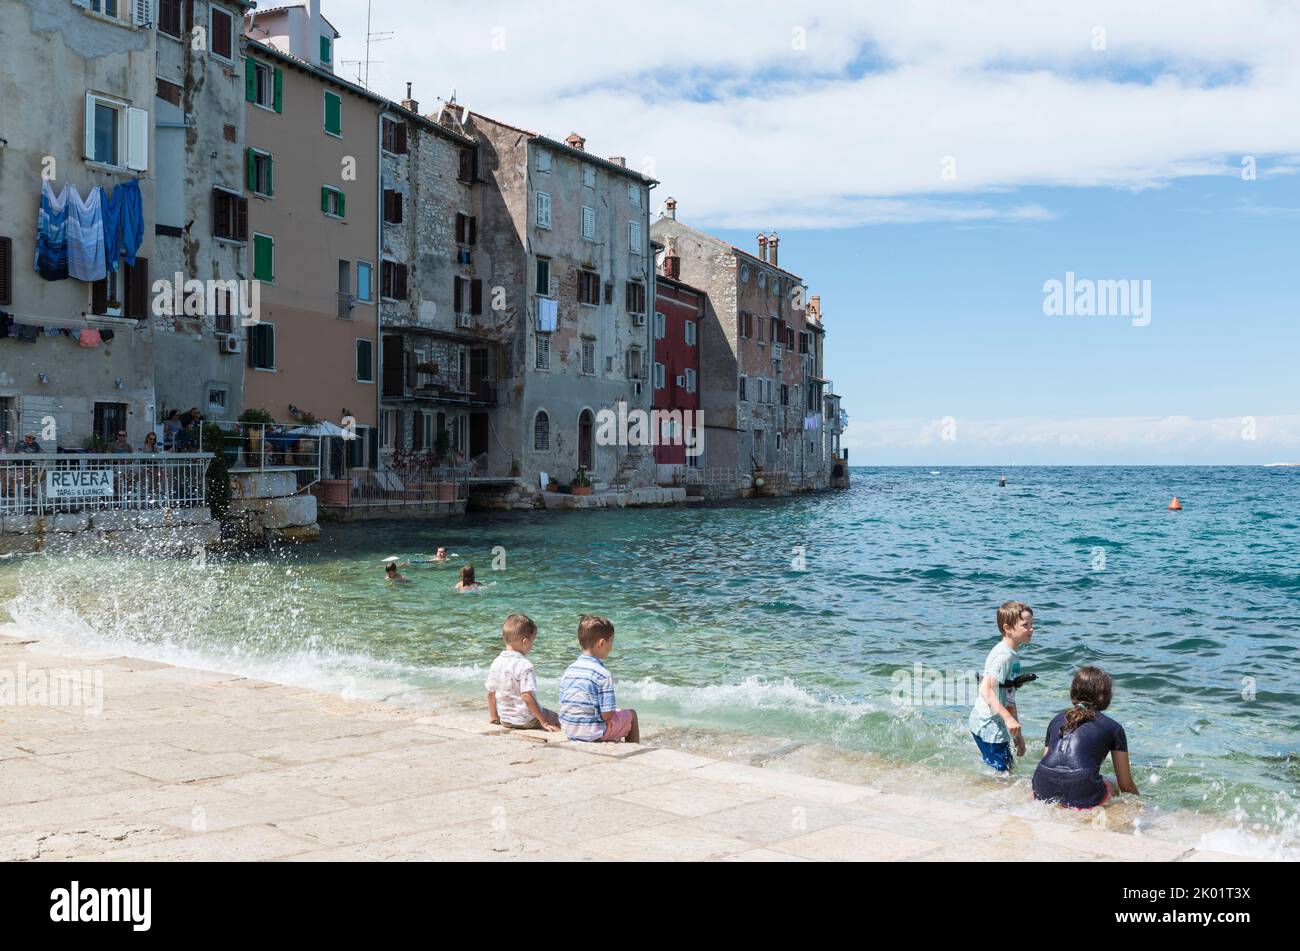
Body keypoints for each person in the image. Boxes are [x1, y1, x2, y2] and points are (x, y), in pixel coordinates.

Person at [1033, 666, 1139, 808]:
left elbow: (1047, 760)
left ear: (1072, 693)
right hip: (1081, 788)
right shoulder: (1114, 727)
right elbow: (1126, 784)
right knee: (1112, 782)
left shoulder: (1055, 720)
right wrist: (1141, 806)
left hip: (1041, 785)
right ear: (1105, 696)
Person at [968, 601, 1034, 772]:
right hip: (988, 725)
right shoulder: (1004, 656)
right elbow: (985, 688)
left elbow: (1009, 694)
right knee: (1003, 773)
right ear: (1008, 628)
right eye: (1025, 625)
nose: (1031, 629)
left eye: (1032, 624)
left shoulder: (1012, 655)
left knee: (1003, 769)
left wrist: (1018, 735)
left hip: (991, 723)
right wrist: (1008, 719)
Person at [558, 615, 639, 743]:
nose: (611, 648)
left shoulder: (569, 670)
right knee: (631, 715)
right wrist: (610, 716)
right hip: (591, 733)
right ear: (601, 643)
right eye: (611, 643)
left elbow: (563, 702)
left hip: (569, 729)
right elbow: (607, 715)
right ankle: (634, 750)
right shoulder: (603, 674)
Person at [486, 613, 561, 733]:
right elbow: (527, 696)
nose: (532, 645)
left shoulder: (496, 662)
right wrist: (544, 722)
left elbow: (491, 693)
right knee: (557, 717)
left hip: (505, 720)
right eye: (532, 641)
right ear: (525, 642)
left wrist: (494, 717)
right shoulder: (525, 665)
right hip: (526, 721)